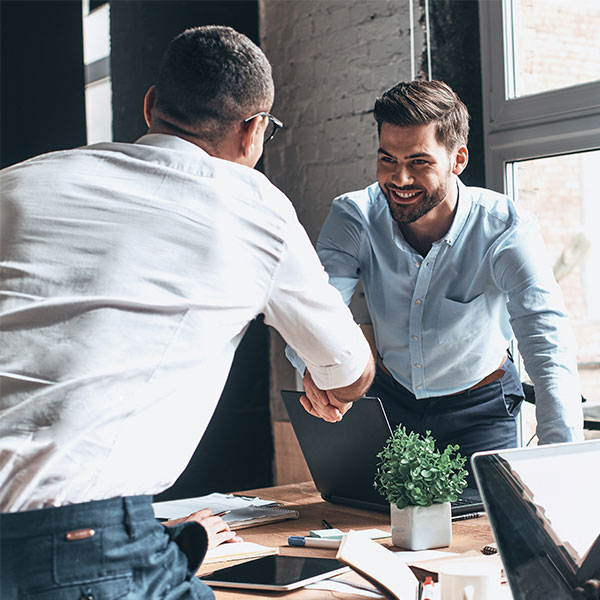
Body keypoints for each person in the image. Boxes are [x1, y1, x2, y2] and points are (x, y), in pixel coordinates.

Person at [0, 26, 374, 599]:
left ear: (150, 105)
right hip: (78, 548)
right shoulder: (253, 206)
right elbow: (349, 372)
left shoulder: (20, 183)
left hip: (92, 534)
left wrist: (160, 537)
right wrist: (330, 384)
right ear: (254, 132)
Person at [293, 80, 583, 474]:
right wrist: (314, 366)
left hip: (479, 411)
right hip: (388, 402)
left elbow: (547, 342)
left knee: (486, 529)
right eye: (387, 159)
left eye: (418, 162)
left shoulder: (505, 229)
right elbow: (315, 307)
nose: (399, 179)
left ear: (457, 159)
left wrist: (563, 463)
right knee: (367, 525)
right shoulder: (355, 216)